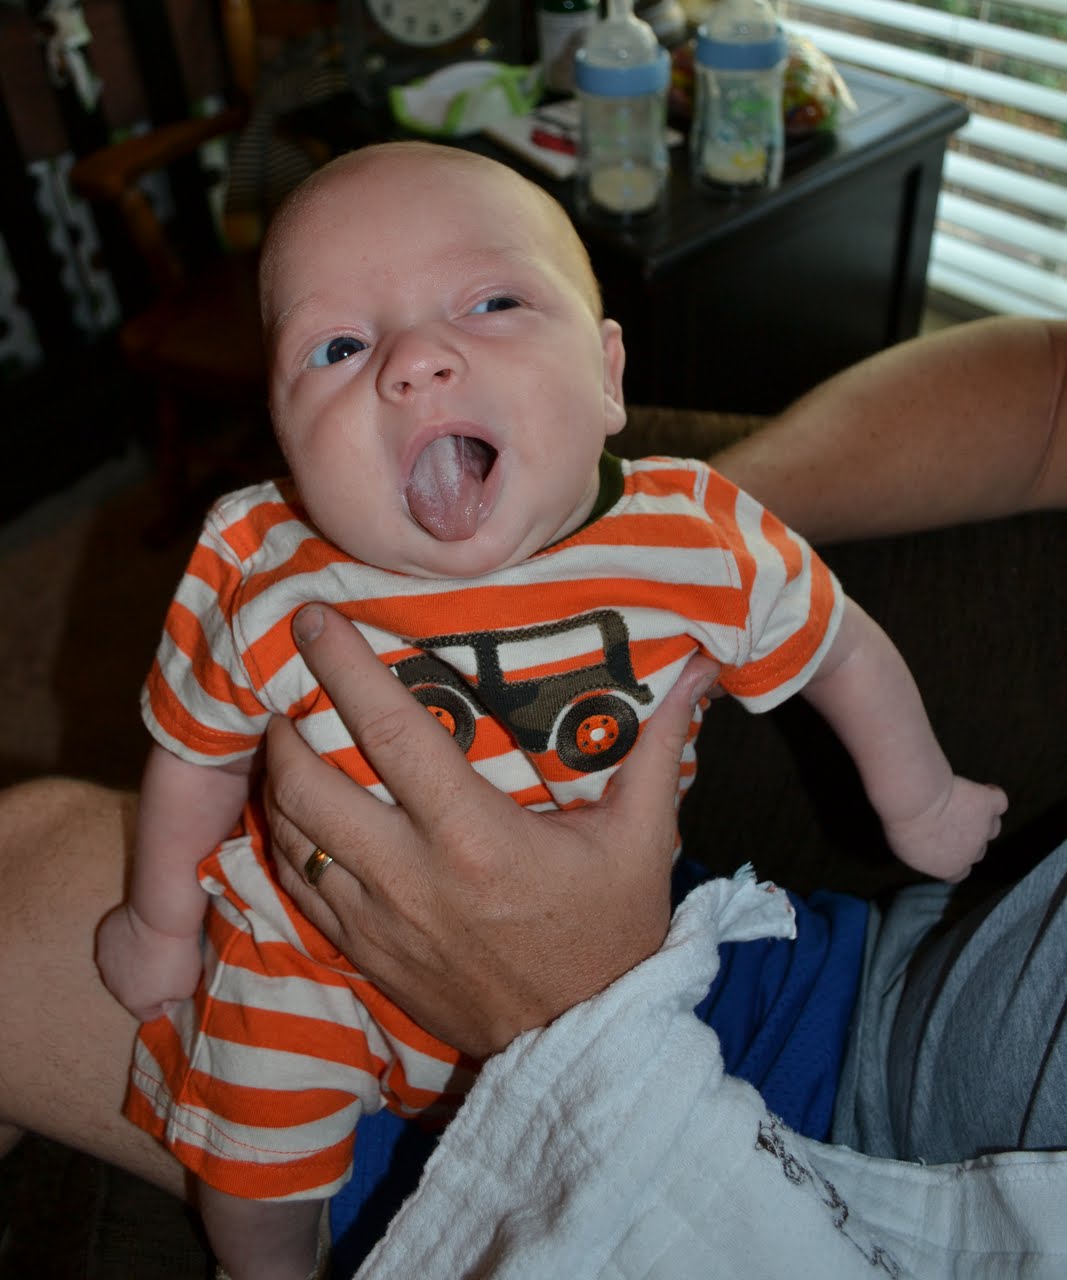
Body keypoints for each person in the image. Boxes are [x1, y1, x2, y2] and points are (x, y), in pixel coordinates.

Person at [92, 140, 1004, 1280]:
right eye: (338, 348)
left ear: (608, 375)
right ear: (283, 440)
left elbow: (839, 647)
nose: (415, 361)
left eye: (490, 302)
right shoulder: (260, 566)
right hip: (310, 953)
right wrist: (162, 921)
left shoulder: (693, 537)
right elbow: (194, 755)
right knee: (247, 1153)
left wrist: (919, 797)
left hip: (603, 941)